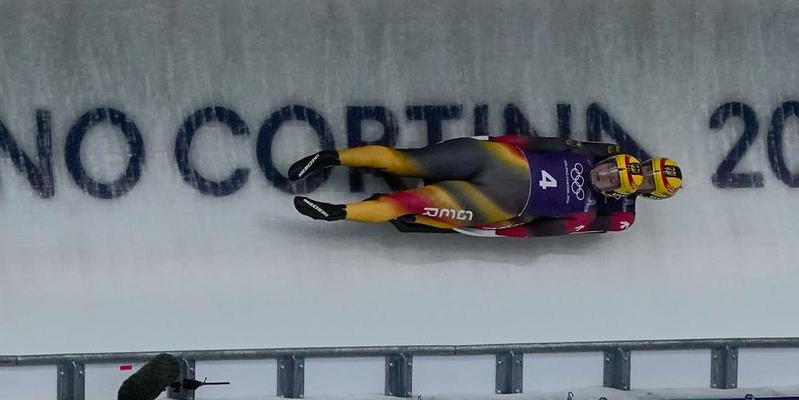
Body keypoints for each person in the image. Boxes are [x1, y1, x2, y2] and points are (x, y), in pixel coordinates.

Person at [286, 135, 682, 236]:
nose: (607, 174)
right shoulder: (597, 153)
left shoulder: (601, 213)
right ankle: (329, 158)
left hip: (492, 202)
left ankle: (337, 213)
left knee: (409, 200)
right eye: (613, 168)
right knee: (407, 160)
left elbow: (550, 229)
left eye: (619, 181)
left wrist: (510, 230)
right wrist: (500, 143)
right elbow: (545, 143)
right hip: (495, 160)